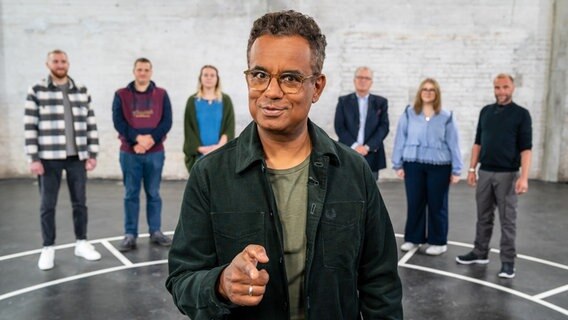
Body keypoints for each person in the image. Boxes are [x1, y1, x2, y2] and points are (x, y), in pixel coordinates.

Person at [166, 10, 402, 320]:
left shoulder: (353, 173)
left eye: (290, 78)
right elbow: (183, 279)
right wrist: (221, 284)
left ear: (316, 87)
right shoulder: (209, 175)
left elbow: (380, 284)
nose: (272, 92)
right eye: (260, 75)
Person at [24, 49, 101, 270]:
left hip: (77, 157)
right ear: (47, 64)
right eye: (55, 61)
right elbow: (30, 125)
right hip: (48, 158)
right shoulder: (37, 90)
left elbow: (90, 123)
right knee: (47, 205)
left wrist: (92, 153)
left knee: (80, 203)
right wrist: (33, 157)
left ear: (68, 63)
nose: (60, 64)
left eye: (63, 61)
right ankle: (48, 248)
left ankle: (82, 242)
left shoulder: (81, 90)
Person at [456, 73, 532, 279]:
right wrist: (472, 169)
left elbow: (526, 149)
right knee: (483, 217)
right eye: (497, 87)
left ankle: (508, 262)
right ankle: (480, 253)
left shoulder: (521, 114)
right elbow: (478, 142)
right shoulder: (486, 112)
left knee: (508, 220)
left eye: (505, 87)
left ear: (513, 88)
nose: (501, 91)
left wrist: (524, 177)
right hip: (485, 172)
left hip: (508, 174)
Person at [391, 78, 463, 256]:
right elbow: (400, 138)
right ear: (420, 92)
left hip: (440, 165)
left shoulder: (447, 116)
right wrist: (397, 163)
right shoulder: (409, 113)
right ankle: (413, 239)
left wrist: (457, 169)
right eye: (425, 89)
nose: (428, 92)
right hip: (413, 163)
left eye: (432, 89)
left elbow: (454, 143)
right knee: (415, 202)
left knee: (437, 204)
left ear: (437, 93)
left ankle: (438, 241)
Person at [112, 57, 173, 252]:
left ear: (151, 72)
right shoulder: (121, 95)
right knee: (131, 194)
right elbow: (118, 122)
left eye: (146, 69)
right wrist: (137, 140)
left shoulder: (161, 94)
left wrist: (149, 141)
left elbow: (166, 122)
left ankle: (155, 232)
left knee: (153, 193)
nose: (143, 73)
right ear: (134, 71)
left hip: (154, 153)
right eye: (140, 69)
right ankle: (130, 234)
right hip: (130, 153)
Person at [334, 66, 389, 180]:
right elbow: (339, 127)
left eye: (366, 78)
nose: (363, 80)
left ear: (371, 82)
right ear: (354, 80)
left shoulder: (381, 102)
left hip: (372, 154)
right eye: (359, 77)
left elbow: (383, 127)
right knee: (348, 190)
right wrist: (355, 146)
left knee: (370, 193)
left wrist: (367, 147)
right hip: (348, 152)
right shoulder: (344, 101)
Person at [183, 65, 235, 172]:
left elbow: (229, 126)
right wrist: (201, 149)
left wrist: (218, 147)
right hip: (199, 156)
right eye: (205, 75)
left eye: (212, 75)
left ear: (217, 79)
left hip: (220, 154)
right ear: (200, 78)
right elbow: (188, 129)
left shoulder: (225, 100)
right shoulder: (192, 101)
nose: (209, 78)